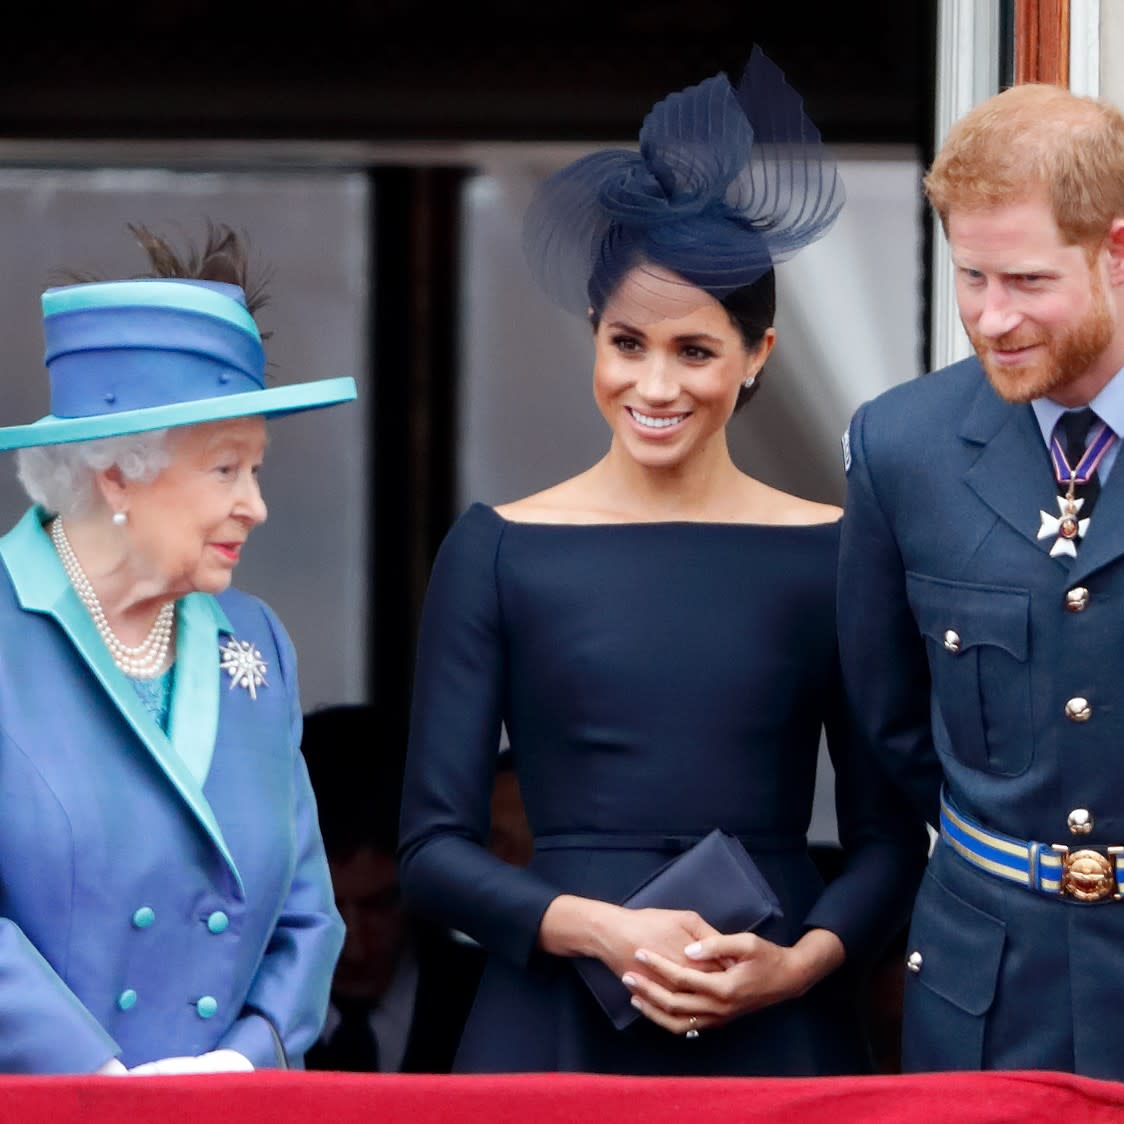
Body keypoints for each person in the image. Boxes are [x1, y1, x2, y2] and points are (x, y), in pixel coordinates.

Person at [398, 47, 929, 1076]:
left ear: (757, 354)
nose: (654, 382)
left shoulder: (835, 548)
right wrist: (596, 927)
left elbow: (886, 836)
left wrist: (798, 964)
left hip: (772, 1016)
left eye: (693, 350)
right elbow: (431, 851)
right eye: (626, 342)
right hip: (551, 1017)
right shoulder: (497, 546)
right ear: (592, 337)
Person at [0, 222, 354, 1074]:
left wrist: (237, 1066)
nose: (255, 506)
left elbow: (309, 912)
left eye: (256, 469)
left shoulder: (255, 641)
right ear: (117, 473)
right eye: (226, 469)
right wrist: (101, 1083)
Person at [837, 81, 1124, 1080]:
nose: (989, 318)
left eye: (1025, 281)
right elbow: (888, 725)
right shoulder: (899, 444)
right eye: (970, 277)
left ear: (1115, 251)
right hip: (990, 986)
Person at [300, 703, 482, 1073]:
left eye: (382, 904)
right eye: (325, 909)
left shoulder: (493, 1003)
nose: (354, 949)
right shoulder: (245, 1015)